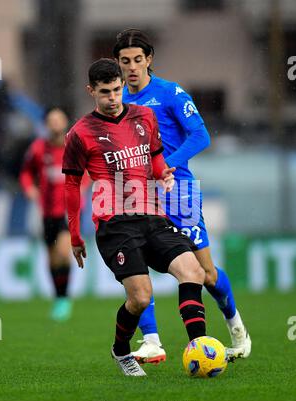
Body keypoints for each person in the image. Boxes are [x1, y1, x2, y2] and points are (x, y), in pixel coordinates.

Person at [62, 58, 211, 377]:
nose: (113, 98)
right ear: (91, 91)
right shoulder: (79, 134)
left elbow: (155, 157)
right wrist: (75, 235)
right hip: (115, 224)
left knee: (193, 271)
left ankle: (199, 348)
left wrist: (164, 175)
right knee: (141, 297)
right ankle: (120, 349)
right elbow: (72, 186)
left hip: (152, 214)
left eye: (117, 90)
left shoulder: (144, 116)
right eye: (105, 92)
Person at [113, 29, 251, 364]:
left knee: (206, 274)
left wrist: (165, 166)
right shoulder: (117, 101)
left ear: (149, 60)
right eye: (124, 61)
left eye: (137, 60)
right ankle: (151, 341)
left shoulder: (170, 93)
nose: (131, 67)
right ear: (118, 64)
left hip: (178, 192)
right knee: (136, 267)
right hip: (138, 195)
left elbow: (200, 136)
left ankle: (237, 330)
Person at [20, 107, 88, 321]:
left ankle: (65, 298)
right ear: (46, 124)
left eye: (59, 119)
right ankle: (59, 298)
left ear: (65, 121)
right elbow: (25, 172)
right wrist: (30, 188)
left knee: (63, 253)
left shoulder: (74, 147)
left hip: (69, 211)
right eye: (51, 120)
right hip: (47, 211)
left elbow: (89, 171)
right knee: (51, 258)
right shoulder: (39, 148)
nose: (55, 124)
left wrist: (82, 188)